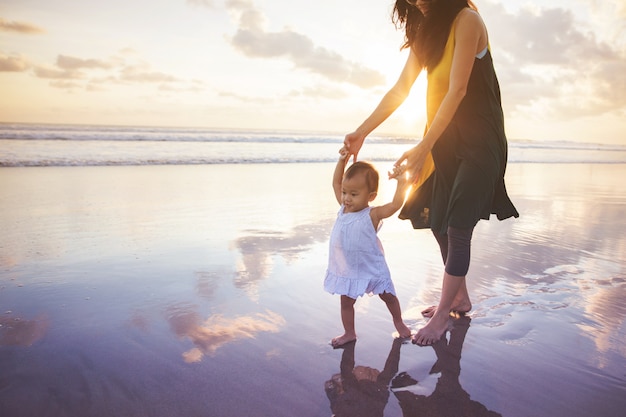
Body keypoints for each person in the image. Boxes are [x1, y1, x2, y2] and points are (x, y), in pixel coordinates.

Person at [343, 0, 519, 346]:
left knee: (457, 226)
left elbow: (458, 90)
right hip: (444, 142)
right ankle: (460, 298)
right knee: (438, 220)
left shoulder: (467, 20)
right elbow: (400, 90)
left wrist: (423, 145)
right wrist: (362, 131)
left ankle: (442, 317)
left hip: (480, 141)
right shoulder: (426, 34)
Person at [324, 148, 412, 347]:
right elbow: (336, 182)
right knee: (346, 302)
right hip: (349, 267)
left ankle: (399, 322)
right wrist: (341, 160)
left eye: (354, 194)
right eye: (345, 192)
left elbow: (396, 204)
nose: (347, 198)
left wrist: (402, 182)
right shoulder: (343, 209)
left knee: (388, 296)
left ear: (371, 196)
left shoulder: (372, 214)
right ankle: (349, 333)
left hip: (371, 266)